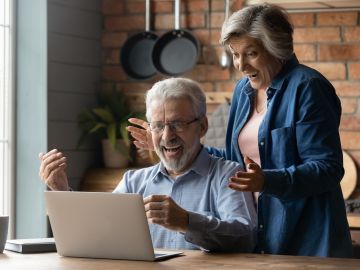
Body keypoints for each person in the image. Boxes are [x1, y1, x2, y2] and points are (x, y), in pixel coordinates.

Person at [126, 4, 352, 257]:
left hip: (307, 235)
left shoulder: (308, 87)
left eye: (251, 53)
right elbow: (236, 160)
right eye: (235, 54)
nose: (241, 65)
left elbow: (328, 168)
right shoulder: (243, 90)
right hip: (263, 234)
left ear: (276, 48)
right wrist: (172, 142)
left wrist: (267, 180)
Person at [39, 77, 257, 252]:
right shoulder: (133, 182)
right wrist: (61, 190)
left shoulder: (228, 174)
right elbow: (92, 234)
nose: (167, 136)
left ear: (202, 127)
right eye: (158, 126)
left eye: (177, 124)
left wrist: (186, 222)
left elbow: (246, 237)